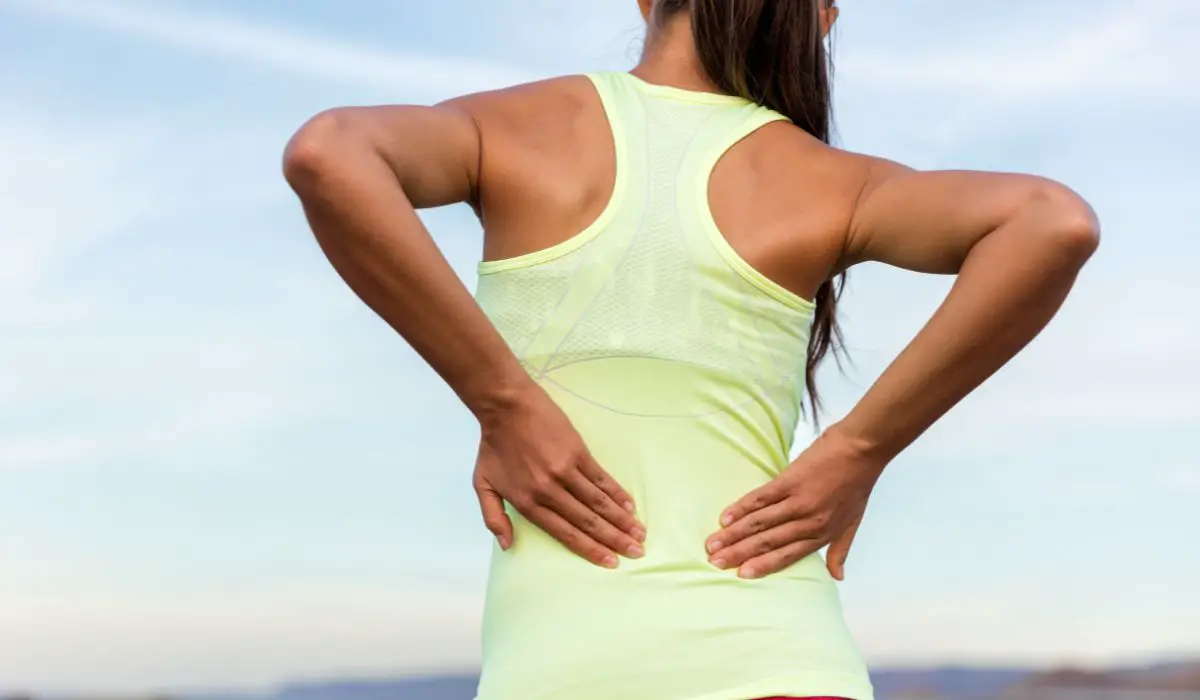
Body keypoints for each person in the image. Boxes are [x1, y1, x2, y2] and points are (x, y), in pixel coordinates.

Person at [281, 0, 1100, 697]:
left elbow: (330, 151)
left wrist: (505, 403)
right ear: (819, 20)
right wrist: (859, 449)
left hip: (561, 671)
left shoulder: (519, 126)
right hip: (785, 660)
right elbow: (1050, 221)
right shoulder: (830, 181)